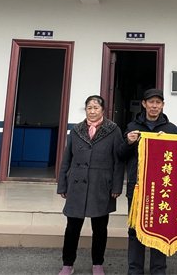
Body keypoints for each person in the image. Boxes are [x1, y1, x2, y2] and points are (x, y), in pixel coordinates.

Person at [57, 95, 125, 275]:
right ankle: (67, 264)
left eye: (96, 108)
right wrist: (62, 184)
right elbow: (66, 159)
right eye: (89, 108)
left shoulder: (113, 130)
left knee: (100, 228)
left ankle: (97, 264)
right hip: (77, 184)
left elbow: (118, 161)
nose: (92, 111)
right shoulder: (76, 130)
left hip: (100, 185)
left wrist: (116, 186)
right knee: (72, 228)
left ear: (103, 110)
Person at [118, 88, 177, 275]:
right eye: (151, 102)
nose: (154, 106)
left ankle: (158, 270)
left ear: (162, 105)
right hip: (137, 187)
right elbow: (121, 155)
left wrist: (167, 143)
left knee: (160, 228)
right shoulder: (132, 127)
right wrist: (128, 142)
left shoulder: (171, 129)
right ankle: (134, 270)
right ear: (144, 104)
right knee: (135, 230)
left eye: (158, 102)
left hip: (162, 188)